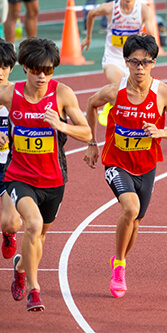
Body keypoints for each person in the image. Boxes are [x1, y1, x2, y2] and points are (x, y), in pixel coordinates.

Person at [84, 34, 167, 298]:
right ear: (126, 62)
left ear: (153, 63)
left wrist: (161, 133)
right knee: (130, 207)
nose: (140, 68)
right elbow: (91, 105)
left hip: (146, 165)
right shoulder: (114, 92)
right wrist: (92, 143)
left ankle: (121, 258)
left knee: (136, 222)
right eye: (134, 62)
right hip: (116, 162)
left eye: (146, 62)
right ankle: (119, 265)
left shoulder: (164, 93)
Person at [0, 37, 91, 312]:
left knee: (37, 238)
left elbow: (86, 132)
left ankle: (20, 266)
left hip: (53, 180)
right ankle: (34, 290)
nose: (42, 76)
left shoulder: (62, 93)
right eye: (37, 70)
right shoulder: (9, 94)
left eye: (49, 71)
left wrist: (61, 126)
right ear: (25, 67)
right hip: (19, 175)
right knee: (33, 225)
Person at [81, 0, 167, 126]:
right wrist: (88, 37)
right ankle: (109, 105)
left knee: (134, 92)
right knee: (121, 85)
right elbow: (91, 14)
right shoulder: (110, 8)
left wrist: (153, 49)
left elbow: (152, 32)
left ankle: (126, 117)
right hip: (113, 58)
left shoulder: (144, 10)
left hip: (133, 60)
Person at [0, 39, 21, 260]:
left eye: (4, 67)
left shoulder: (18, 96)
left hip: (9, 166)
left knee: (11, 223)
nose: (0, 72)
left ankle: (9, 233)